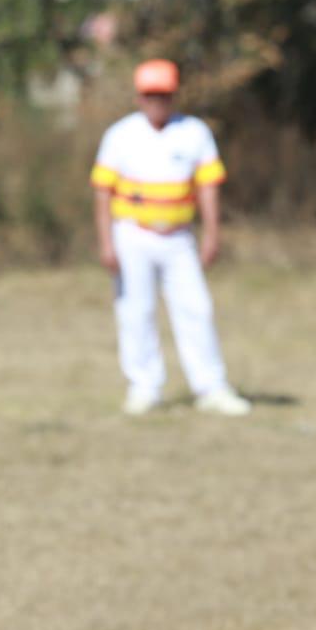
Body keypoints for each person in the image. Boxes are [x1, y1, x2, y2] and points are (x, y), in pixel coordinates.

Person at [91, 58, 252, 416]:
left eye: (163, 95)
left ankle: (211, 387)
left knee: (196, 309)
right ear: (138, 97)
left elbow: (208, 187)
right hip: (132, 235)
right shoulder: (121, 135)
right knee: (136, 312)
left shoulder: (194, 133)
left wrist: (212, 233)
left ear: (174, 95)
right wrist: (106, 242)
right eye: (150, 95)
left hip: (179, 238)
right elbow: (103, 191)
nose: (157, 102)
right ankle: (144, 387)